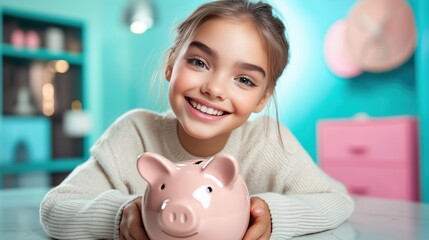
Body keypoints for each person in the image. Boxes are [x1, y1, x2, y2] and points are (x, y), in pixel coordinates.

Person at [40, 0, 354, 239]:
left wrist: (272, 215)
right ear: (171, 63)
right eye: (199, 62)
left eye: (244, 80)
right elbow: (54, 207)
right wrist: (120, 215)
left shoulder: (269, 141)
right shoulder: (134, 134)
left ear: (262, 98)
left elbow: (337, 201)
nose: (214, 89)